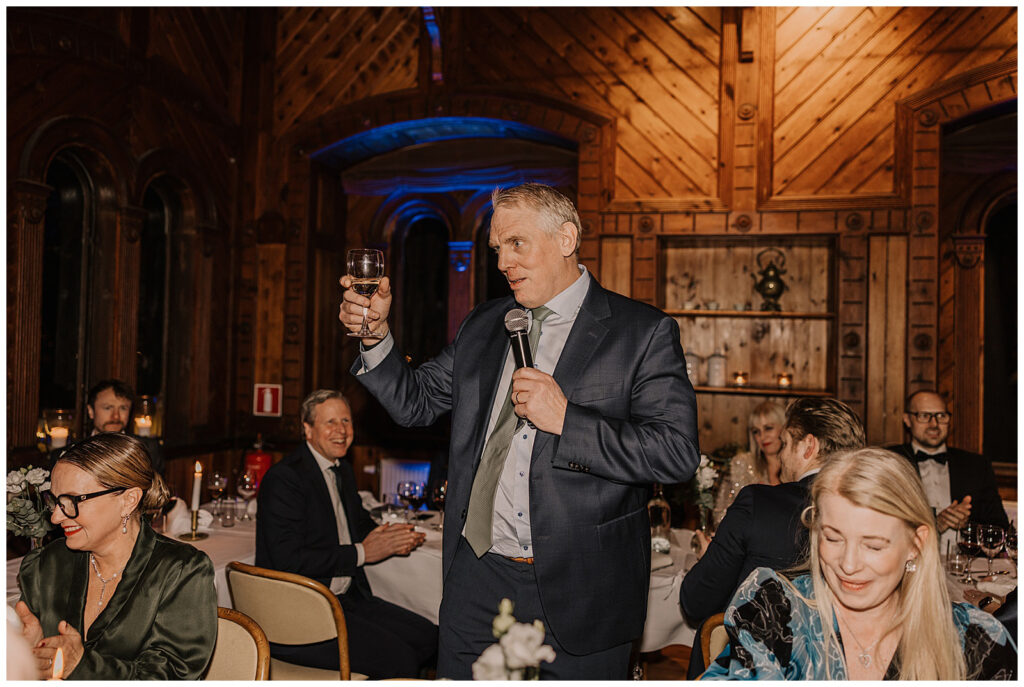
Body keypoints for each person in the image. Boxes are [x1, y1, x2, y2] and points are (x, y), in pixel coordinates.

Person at [341, 183, 699, 679]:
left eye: (516, 244)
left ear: (566, 238)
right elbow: (415, 403)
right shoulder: (485, 324)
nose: (503, 262)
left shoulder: (641, 331)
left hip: (583, 591)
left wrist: (567, 419)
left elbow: (676, 452)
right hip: (477, 579)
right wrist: (375, 336)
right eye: (497, 249)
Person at [702, 447, 1017, 680]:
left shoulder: (974, 641)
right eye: (833, 538)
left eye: (873, 545)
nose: (848, 565)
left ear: (916, 544)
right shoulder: (778, 614)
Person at [255, 389, 438, 679]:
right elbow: (288, 560)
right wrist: (363, 553)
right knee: (399, 658)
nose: (341, 430)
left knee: (429, 637)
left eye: (346, 421)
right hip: (300, 614)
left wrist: (391, 536)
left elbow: (358, 523)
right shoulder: (285, 479)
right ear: (307, 429)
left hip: (345, 599)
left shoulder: (342, 471)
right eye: (330, 422)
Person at [680, 397, 865, 675]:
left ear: (808, 446)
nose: (780, 456)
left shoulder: (758, 503)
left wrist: (712, 557)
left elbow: (696, 601)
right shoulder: (872, 512)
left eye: (785, 443)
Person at [15, 433, 216, 679]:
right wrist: (28, 652)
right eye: (55, 501)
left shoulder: (181, 571)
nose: (56, 517)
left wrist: (81, 666)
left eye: (71, 501)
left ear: (128, 500)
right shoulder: (50, 562)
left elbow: (169, 676)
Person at [887, 390, 1008, 551]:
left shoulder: (976, 465)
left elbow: (1000, 528)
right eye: (924, 416)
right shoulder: (890, 462)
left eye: (941, 416)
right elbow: (881, 525)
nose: (934, 424)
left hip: (966, 563)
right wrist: (935, 524)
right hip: (909, 561)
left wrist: (967, 526)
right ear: (907, 420)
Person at [50, 379, 165, 475]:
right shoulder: (67, 454)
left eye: (123, 408)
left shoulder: (148, 449)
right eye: (108, 408)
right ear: (91, 411)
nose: (116, 416)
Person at [712, 400, 786, 524]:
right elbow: (721, 516)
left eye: (768, 428)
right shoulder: (742, 464)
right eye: (756, 431)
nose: (762, 436)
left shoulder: (797, 466)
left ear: (784, 428)